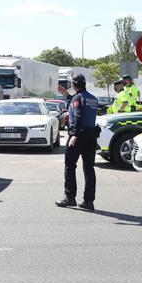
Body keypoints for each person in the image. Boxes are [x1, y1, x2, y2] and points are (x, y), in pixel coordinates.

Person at [57, 73, 99, 211]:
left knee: (69, 165)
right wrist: (66, 95)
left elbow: (78, 113)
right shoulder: (92, 98)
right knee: (89, 169)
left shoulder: (77, 97)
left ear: (74, 85)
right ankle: (89, 201)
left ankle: (70, 197)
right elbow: (79, 105)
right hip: (91, 136)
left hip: (78, 136)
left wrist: (74, 134)